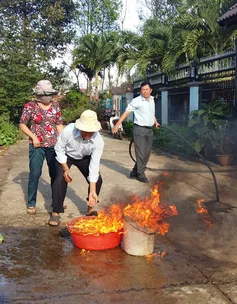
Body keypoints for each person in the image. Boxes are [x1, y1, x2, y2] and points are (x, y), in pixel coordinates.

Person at [48, 109, 104, 226]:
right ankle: (56, 212)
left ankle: (90, 209)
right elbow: (59, 149)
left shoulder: (98, 141)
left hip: (84, 157)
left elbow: (94, 165)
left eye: (91, 131)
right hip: (66, 155)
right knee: (59, 179)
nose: (88, 134)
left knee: (97, 180)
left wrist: (92, 190)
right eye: (85, 131)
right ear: (79, 128)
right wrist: (66, 168)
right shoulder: (69, 130)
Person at [19, 80, 64, 215]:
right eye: (46, 94)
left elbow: (59, 124)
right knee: (35, 173)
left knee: (55, 174)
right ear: (39, 95)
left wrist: (62, 141)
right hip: (37, 146)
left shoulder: (55, 105)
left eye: (50, 94)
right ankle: (31, 203)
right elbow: (22, 124)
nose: (49, 97)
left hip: (53, 146)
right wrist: (33, 137)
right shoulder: (30, 106)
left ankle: (57, 202)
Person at [112, 81, 160, 183]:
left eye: (147, 89)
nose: (145, 91)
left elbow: (152, 113)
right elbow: (126, 112)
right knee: (141, 153)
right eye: (143, 89)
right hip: (139, 130)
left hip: (149, 130)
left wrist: (155, 122)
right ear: (141, 91)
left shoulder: (152, 100)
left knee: (146, 153)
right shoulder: (136, 101)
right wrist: (117, 124)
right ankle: (140, 174)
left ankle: (134, 171)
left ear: (150, 90)